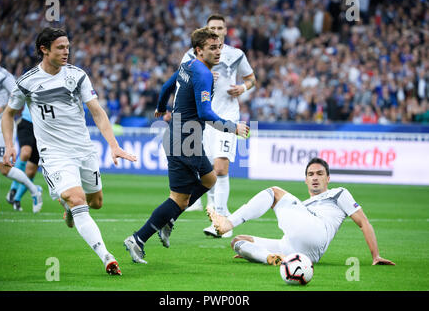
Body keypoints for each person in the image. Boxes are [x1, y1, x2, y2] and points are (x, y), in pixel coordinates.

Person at [1, 27, 137, 276]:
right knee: (77, 198)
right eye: (60, 48)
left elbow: (97, 111)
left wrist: (113, 145)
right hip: (54, 154)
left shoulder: (77, 76)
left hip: (83, 149)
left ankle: (70, 211)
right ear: (44, 49)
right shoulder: (27, 82)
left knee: (95, 202)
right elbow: (9, 114)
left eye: (68, 47)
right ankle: (107, 257)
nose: (66, 52)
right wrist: (10, 144)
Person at [123, 27, 250, 264]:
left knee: (210, 179)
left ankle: (169, 220)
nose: (218, 52)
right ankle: (138, 239)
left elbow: (165, 88)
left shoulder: (188, 66)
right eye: (212, 48)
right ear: (199, 50)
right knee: (178, 200)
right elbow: (206, 113)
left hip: (185, 137)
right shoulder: (202, 73)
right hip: (185, 141)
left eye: (219, 47)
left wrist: (161, 108)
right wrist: (234, 127)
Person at [207, 157, 395, 266]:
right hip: (297, 250)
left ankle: (227, 223)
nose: (315, 178)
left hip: (317, 233)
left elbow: (364, 223)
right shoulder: (302, 206)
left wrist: (375, 255)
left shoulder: (339, 193)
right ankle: (269, 257)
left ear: (328, 178)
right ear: (305, 180)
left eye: (320, 174)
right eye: (310, 174)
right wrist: (254, 252)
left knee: (274, 192)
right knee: (238, 241)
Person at [180, 14, 256, 239]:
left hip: (227, 116)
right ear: (206, 30)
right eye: (212, 28)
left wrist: (243, 88)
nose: (216, 31)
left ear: (225, 30)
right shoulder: (192, 54)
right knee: (206, 170)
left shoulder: (235, 54)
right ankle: (215, 210)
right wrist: (200, 77)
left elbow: (252, 79)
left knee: (221, 168)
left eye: (220, 28)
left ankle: (221, 220)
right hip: (202, 117)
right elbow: (181, 79)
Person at [0, 44, 43, 216]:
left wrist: (1, 109)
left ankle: (34, 190)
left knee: (5, 169)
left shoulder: (5, 76)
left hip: (3, 127)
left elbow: (18, 98)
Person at [5, 103, 40, 212]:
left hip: (43, 128)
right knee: (25, 153)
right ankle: (13, 189)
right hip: (27, 122)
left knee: (31, 172)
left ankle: (16, 199)